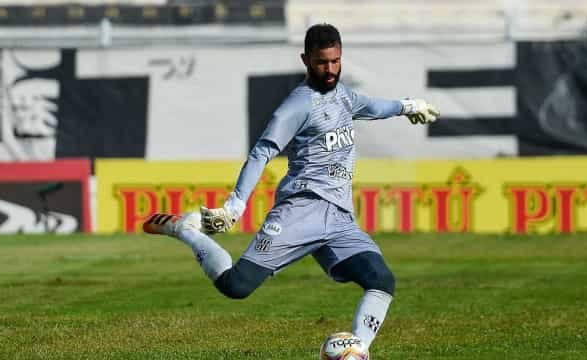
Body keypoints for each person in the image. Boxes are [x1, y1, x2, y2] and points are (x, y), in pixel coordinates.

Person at [143, 23, 439, 352]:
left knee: (381, 281)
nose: (329, 70)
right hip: (300, 211)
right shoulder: (297, 105)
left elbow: (374, 108)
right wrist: (235, 205)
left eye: (335, 61)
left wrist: (409, 106)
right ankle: (186, 230)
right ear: (305, 60)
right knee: (236, 286)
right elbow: (261, 153)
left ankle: (357, 352)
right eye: (321, 63)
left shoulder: (345, 97)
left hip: (340, 219)